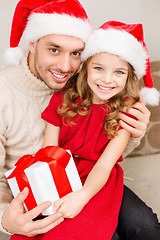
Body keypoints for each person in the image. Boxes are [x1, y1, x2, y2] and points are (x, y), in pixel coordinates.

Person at [0, 0, 159, 239]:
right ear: (32, 44)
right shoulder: (10, 93)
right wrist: (6, 218)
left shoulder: (86, 85)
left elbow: (105, 154)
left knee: (145, 226)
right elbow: (48, 154)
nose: (66, 66)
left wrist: (135, 132)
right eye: (54, 49)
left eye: (76, 53)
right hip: (45, 183)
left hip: (94, 178)